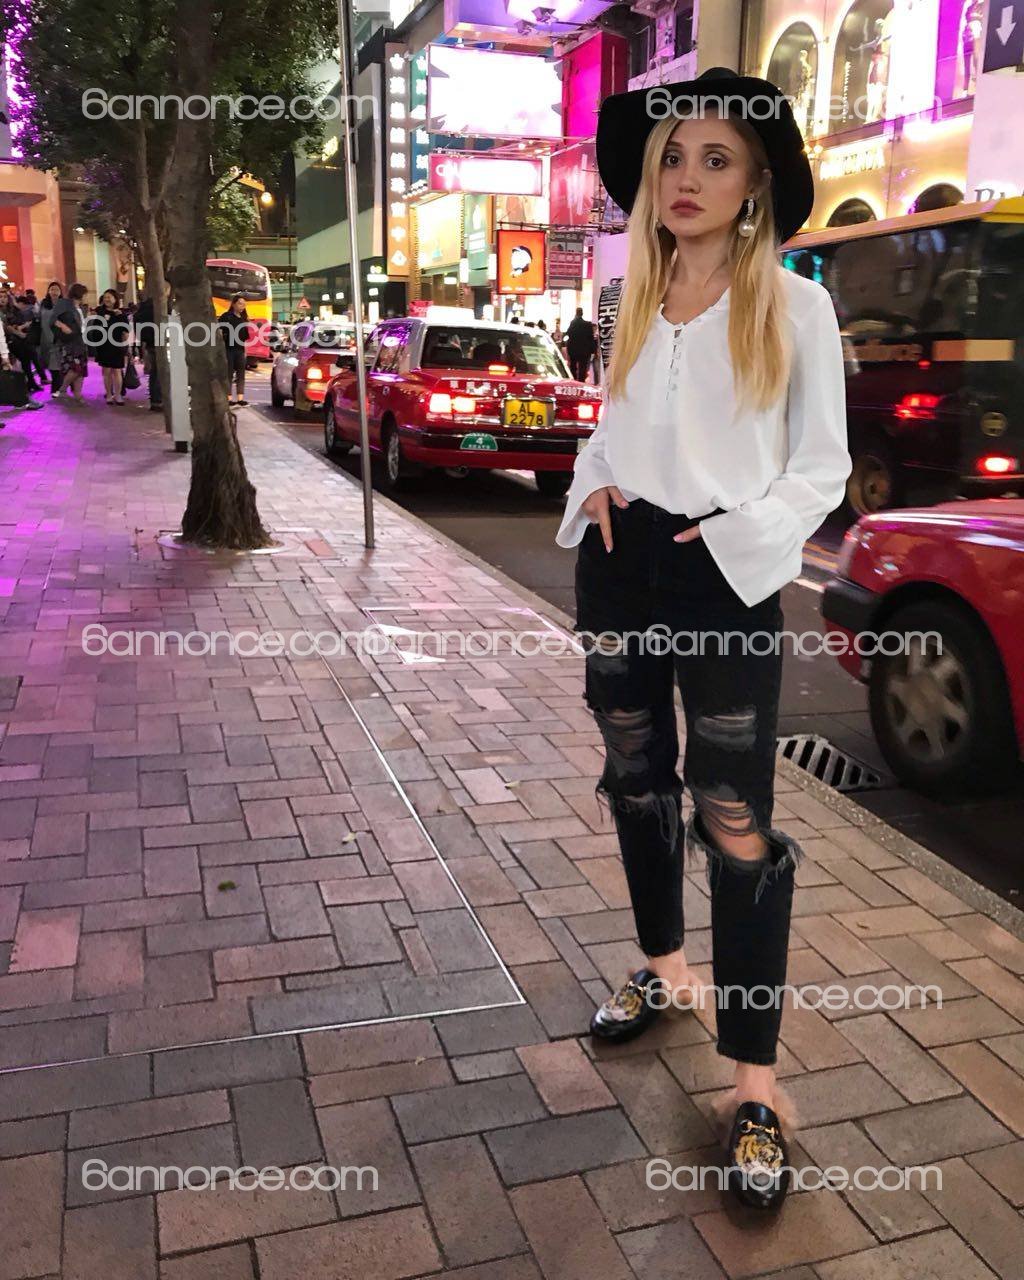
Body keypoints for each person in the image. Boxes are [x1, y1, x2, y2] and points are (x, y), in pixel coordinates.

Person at [555, 67, 851, 1211]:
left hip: (725, 578)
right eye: (672, 157)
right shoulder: (635, 293)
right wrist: (593, 486)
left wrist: (732, 540)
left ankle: (755, 1086)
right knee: (636, 772)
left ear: (755, 182)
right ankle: (664, 967)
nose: (686, 178)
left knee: (733, 814)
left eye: (715, 159)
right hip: (618, 565)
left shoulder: (795, 307)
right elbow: (611, 426)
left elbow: (819, 470)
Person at [88, 289, 130, 404]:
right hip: (104, 346)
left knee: (117, 370)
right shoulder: (100, 312)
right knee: (106, 371)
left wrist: (120, 317)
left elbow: (126, 330)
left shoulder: (121, 314)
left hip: (117, 346)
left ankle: (118, 395)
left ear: (115, 299)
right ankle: (109, 395)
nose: (107, 299)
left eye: (109, 297)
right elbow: (95, 328)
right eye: (105, 297)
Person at [52, 283, 91, 401]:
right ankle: (62, 389)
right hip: (71, 342)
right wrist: (63, 326)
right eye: (85, 294)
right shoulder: (65, 305)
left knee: (81, 369)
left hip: (81, 340)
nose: (86, 297)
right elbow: (53, 320)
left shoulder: (82, 308)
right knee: (75, 368)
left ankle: (78, 394)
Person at [0, 314, 43, 414]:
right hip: (11, 344)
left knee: (15, 374)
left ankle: (22, 401)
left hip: (11, 345)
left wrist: (5, 356)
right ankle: (22, 401)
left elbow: (1, 336)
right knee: (15, 374)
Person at [217, 292, 251, 406]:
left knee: (241, 374)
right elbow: (219, 331)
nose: (242, 306)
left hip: (240, 350)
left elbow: (245, 336)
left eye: (244, 304)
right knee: (229, 374)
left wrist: (245, 352)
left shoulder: (244, 318)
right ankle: (229, 398)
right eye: (240, 303)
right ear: (234, 304)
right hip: (228, 349)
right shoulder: (226, 316)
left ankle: (240, 399)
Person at [132, 292, 164, 411]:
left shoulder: (142, 309)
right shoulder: (158, 307)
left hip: (149, 342)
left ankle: (155, 400)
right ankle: (159, 399)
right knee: (159, 371)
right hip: (159, 342)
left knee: (154, 371)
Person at [39, 282, 65, 396]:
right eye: (52, 289)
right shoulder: (43, 304)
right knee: (48, 364)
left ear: (60, 292)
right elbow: (38, 318)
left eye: (57, 290)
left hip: (58, 340)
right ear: (48, 291)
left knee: (56, 366)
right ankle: (59, 387)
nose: (54, 292)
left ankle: (56, 389)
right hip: (44, 339)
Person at [565, 306, 597, 381]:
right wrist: (593, 350)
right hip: (584, 350)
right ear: (582, 313)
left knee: (573, 367)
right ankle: (581, 381)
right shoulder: (587, 324)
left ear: (576, 313)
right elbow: (591, 338)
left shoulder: (573, 323)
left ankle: (574, 381)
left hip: (573, 350)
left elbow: (568, 334)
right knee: (583, 368)